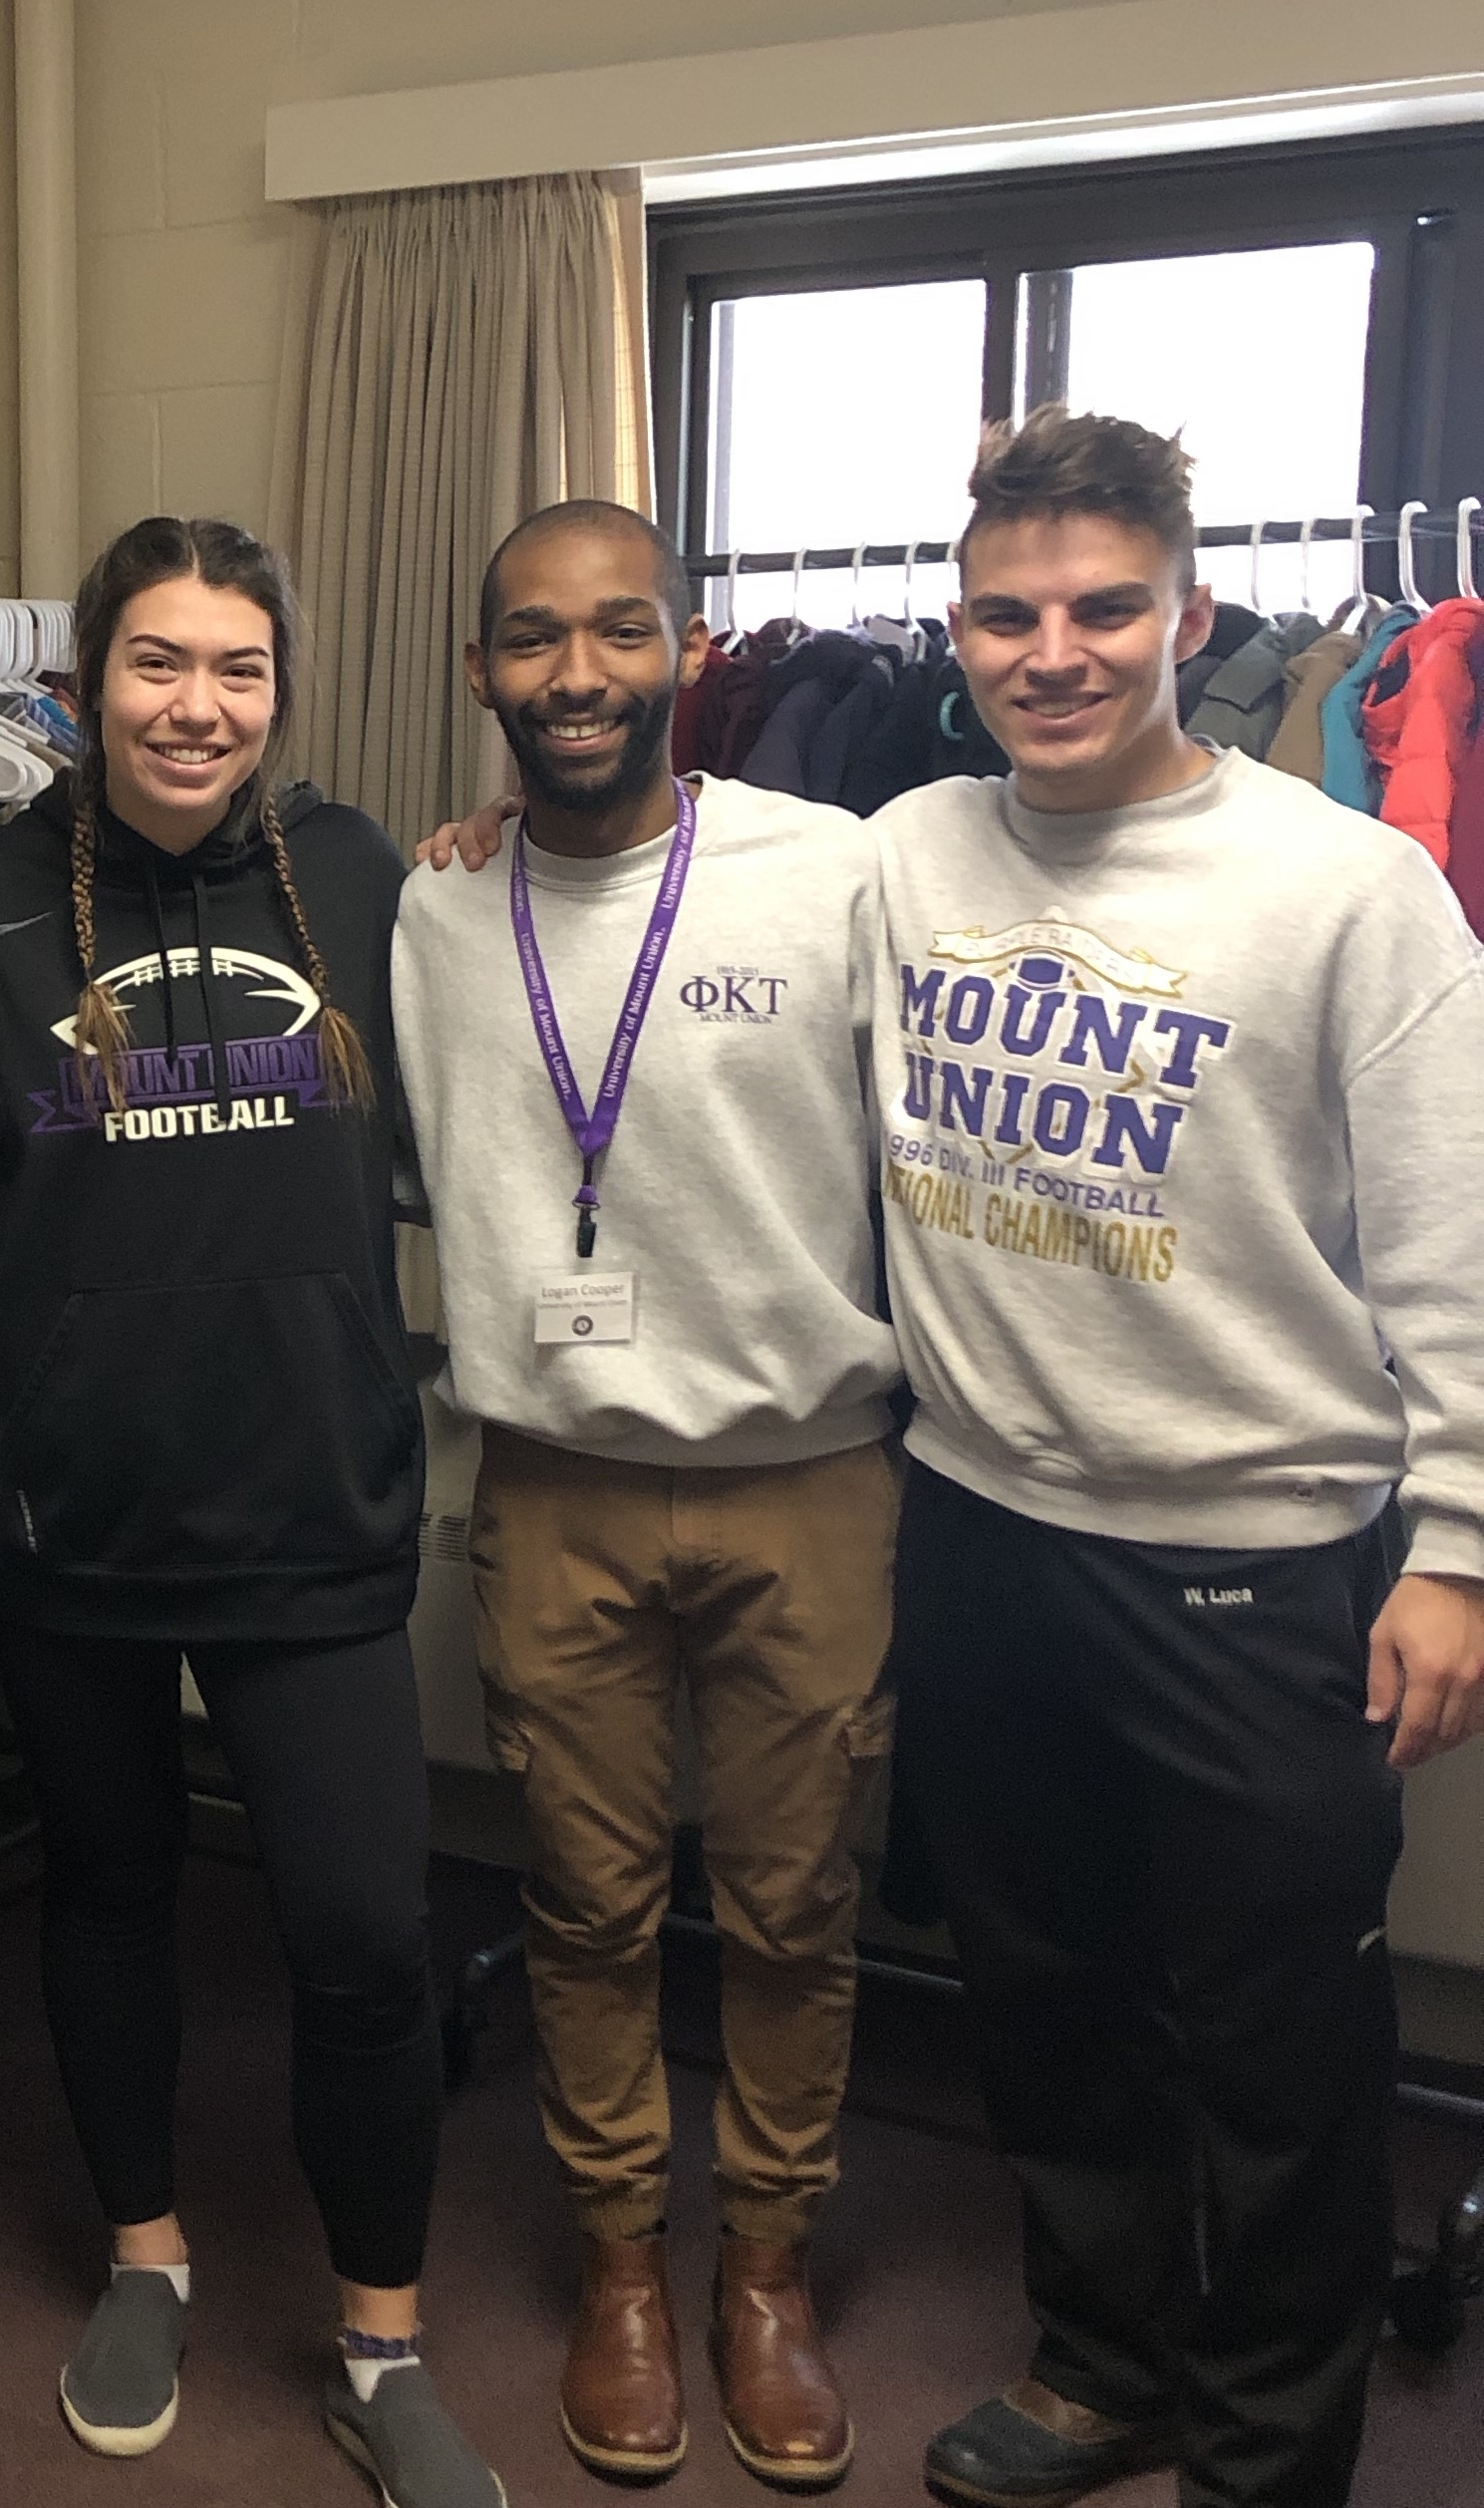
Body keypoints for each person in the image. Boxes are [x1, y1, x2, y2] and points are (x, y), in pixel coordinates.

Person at [876, 409, 1484, 2508]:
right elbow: (678, 884)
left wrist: (1464, 1548)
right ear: (956, 627)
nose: (1053, 650)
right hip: (978, 1534)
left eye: (1103, 608)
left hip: (1255, 1554)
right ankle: (1104, 2357)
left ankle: (1266, 2448)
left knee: (1280, 2053)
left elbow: (1453, 1236)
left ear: (1188, 615)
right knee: (1042, 1997)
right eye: (1009, 613)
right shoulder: (909, 848)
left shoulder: (1353, 887)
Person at [0, 515, 503, 2508]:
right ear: (87, 677)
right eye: (159, 664)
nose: (198, 706)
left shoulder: (367, 875)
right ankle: (147, 2255)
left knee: (364, 1936)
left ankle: (381, 2338)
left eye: (238, 669)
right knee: (104, 1905)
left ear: (282, 685)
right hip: (70, 1514)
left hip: (312, 1501)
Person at [393, 500, 899, 2490]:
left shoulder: (835, 870)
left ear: (684, 654)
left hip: (807, 1480)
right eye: (535, 639)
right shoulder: (434, 903)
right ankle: (620, 2261)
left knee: (792, 1906)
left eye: (618, 635)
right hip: (558, 1481)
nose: (577, 674)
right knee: (585, 1902)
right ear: (482, 675)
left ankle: (761, 2268)